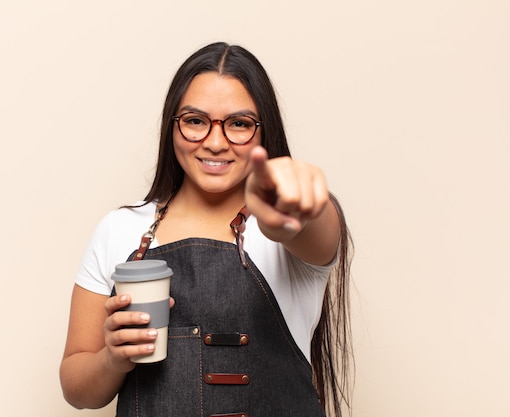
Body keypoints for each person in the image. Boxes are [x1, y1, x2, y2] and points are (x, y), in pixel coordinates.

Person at [60, 42, 353, 417]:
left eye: (239, 124)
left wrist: (294, 213)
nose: (215, 143)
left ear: (264, 133)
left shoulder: (288, 228)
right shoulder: (118, 230)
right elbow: (77, 389)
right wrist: (113, 359)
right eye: (196, 121)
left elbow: (313, 227)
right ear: (172, 125)